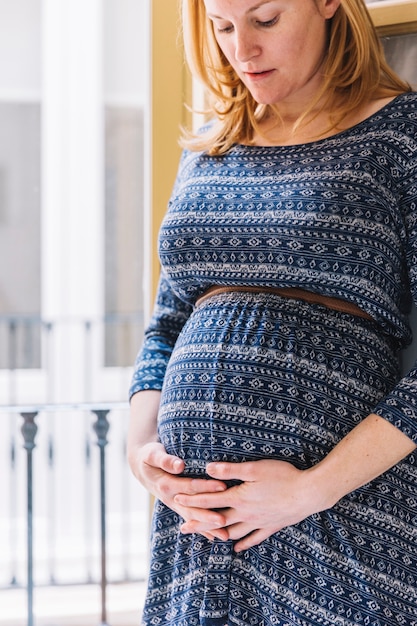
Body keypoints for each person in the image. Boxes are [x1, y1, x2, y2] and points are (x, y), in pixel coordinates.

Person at [127, 0, 417, 623]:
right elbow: (167, 327)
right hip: (199, 531)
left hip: (342, 515)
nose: (243, 51)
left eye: (266, 20)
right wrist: (141, 453)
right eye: (223, 28)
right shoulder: (208, 148)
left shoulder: (400, 136)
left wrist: (310, 489)